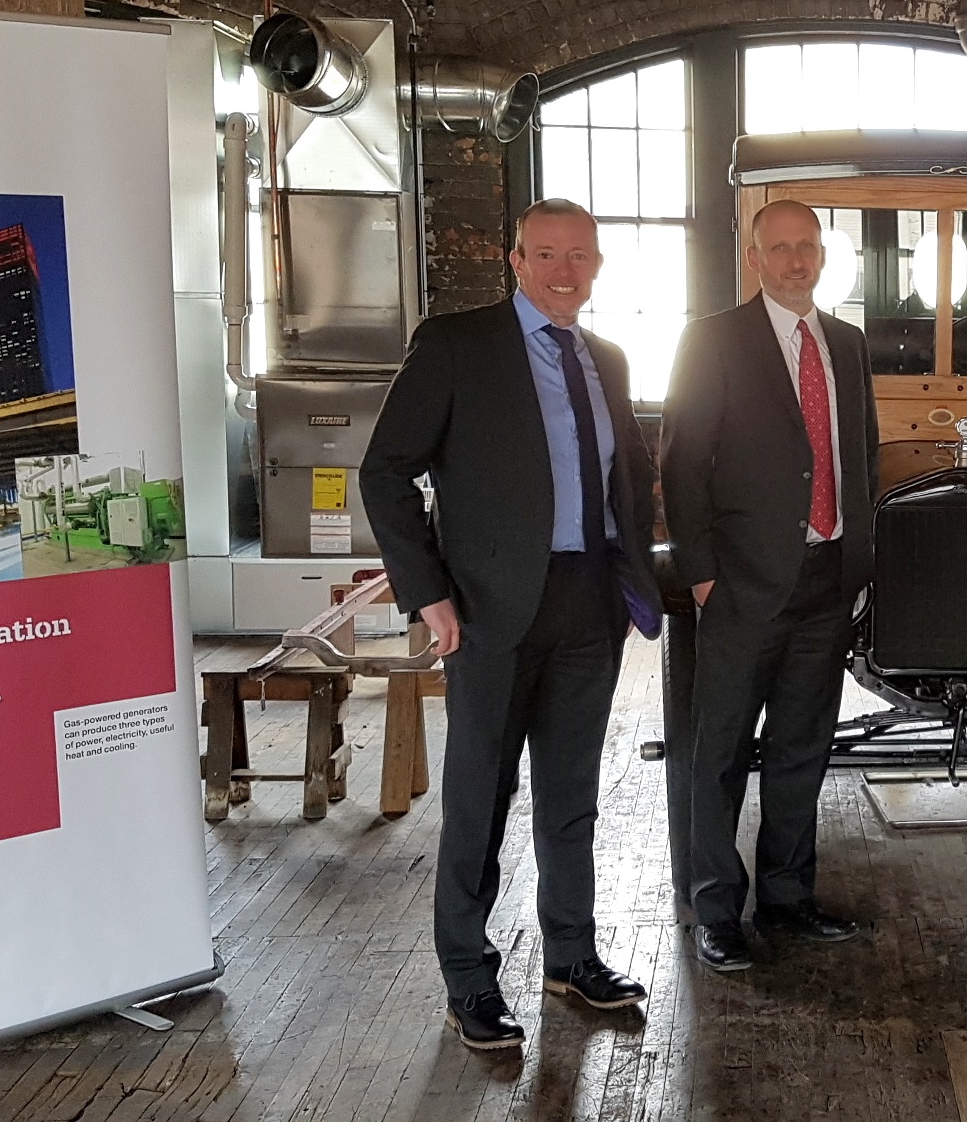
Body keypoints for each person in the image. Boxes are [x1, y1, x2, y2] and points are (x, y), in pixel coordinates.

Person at [360, 198, 661, 1050]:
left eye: (582, 257)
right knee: (480, 801)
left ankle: (570, 957)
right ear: (516, 259)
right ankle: (469, 980)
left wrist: (643, 576)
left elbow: (626, 476)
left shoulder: (607, 358)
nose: (566, 272)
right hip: (490, 613)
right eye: (548, 255)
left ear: (597, 265)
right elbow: (385, 472)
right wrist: (429, 593)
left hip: (588, 605)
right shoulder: (457, 345)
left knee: (571, 800)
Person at [662, 199, 881, 972]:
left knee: (801, 750)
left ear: (824, 255)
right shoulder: (714, 340)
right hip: (741, 586)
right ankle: (715, 909)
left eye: (808, 247)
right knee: (718, 752)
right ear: (754, 259)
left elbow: (862, 458)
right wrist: (701, 574)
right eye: (780, 249)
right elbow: (682, 461)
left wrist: (861, 564)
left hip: (827, 581)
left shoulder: (847, 346)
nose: (796, 261)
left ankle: (788, 899)